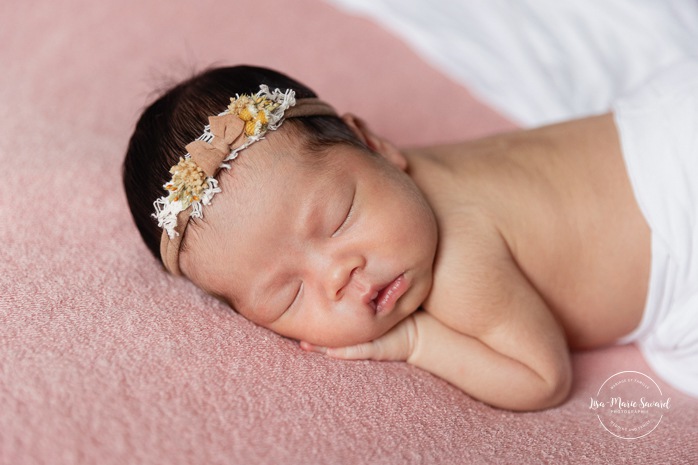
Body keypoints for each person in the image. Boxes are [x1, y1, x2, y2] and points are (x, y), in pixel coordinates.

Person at [123, 63, 698, 411]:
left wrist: (416, 342)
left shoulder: (459, 267)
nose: (338, 275)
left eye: (339, 216)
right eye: (287, 296)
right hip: (662, 111)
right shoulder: (395, 180)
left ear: (374, 145)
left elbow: (543, 379)